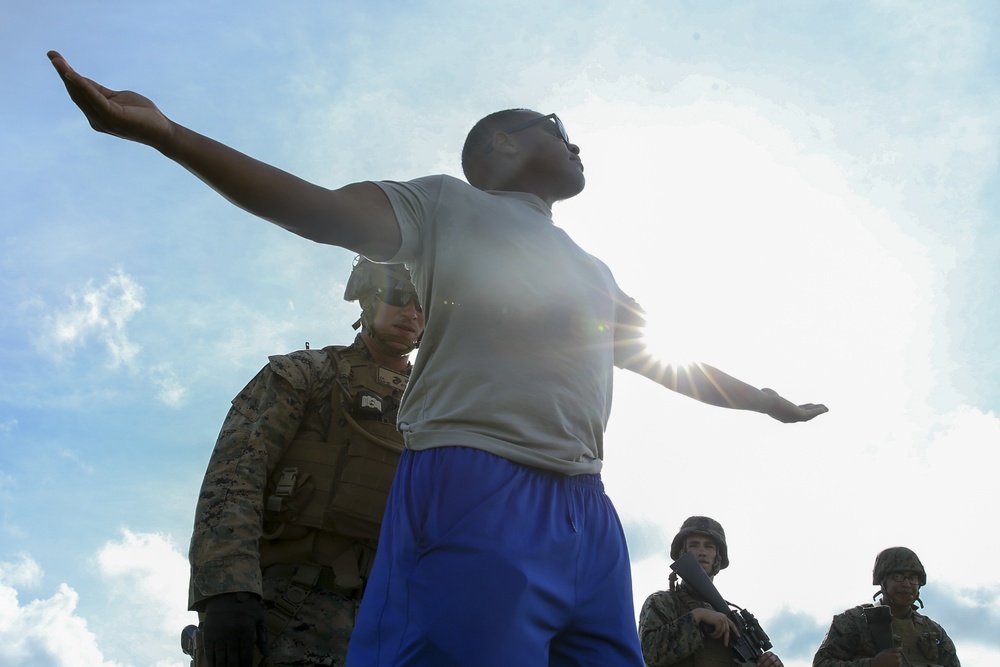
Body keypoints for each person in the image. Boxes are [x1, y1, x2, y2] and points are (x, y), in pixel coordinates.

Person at [49, 51, 829, 667]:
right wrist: (167, 134)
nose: (574, 138)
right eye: (556, 124)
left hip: (587, 510)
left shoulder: (592, 269)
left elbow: (670, 361)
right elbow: (318, 209)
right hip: (475, 479)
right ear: (503, 143)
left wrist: (766, 399)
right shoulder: (445, 206)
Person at [185, 258, 424, 667]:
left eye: (424, 303)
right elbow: (234, 479)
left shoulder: (440, 407)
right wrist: (228, 591)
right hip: (285, 608)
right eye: (397, 295)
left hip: (392, 626)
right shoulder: (307, 373)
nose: (411, 312)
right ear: (366, 299)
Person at [637, 516, 783, 667]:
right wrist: (697, 617)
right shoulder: (662, 602)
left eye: (709, 546)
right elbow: (646, 655)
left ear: (717, 557)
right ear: (683, 553)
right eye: (694, 545)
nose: (702, 552)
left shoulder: (733, 622)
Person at [813, 547, 960, 667]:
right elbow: (821, 664)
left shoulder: (934, 632)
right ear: (883, 582)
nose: (907, 584)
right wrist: (873, 665)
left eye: (913, 577)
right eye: (898, 576)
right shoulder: (854, 622)